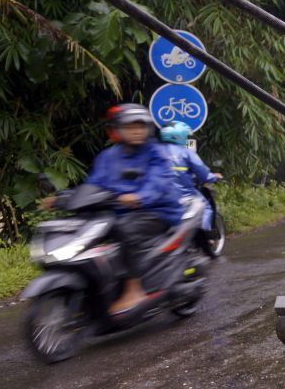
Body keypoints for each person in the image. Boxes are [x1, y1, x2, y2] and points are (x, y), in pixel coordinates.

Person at [47, 104, 184, 314]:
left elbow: (158, 181)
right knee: (85, 230)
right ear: (118, 130)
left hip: (157, 210)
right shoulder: (107, 157)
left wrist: (139, 196)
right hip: (119, 211)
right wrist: (63, 199)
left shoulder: (156, 153)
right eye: (130, 126)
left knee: (125, 230)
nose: (137, 130)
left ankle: (133, 289)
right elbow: (93, 185)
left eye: (141, 126)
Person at [159, 121, 221, 230]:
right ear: (180, 135)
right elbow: (203, 174)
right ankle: (205, 239)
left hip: (158, 196)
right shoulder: (186, 153)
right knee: (206, 207)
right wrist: (214, 177)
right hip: (184, 195)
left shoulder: (153, 151)